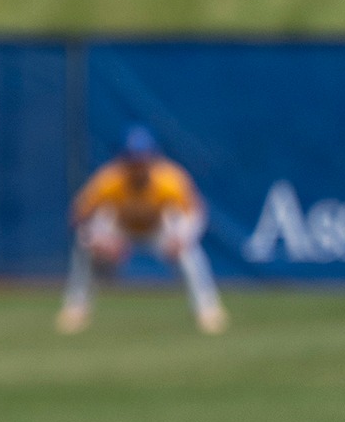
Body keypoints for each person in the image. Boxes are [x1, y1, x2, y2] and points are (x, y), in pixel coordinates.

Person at [58, 125, 228, 336]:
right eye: (133, 160)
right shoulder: (110, 178)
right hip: (120, 228)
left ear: (153, 158)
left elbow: (197, 211)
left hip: (157, 229)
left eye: (143, 159)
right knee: (83, 247)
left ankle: (207, 310)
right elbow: (78, 214)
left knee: (189, 252)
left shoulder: (169, 178)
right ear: (123, 159)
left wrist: (183, 237)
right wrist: (97, 239)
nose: (138, 166)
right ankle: (76, 309)